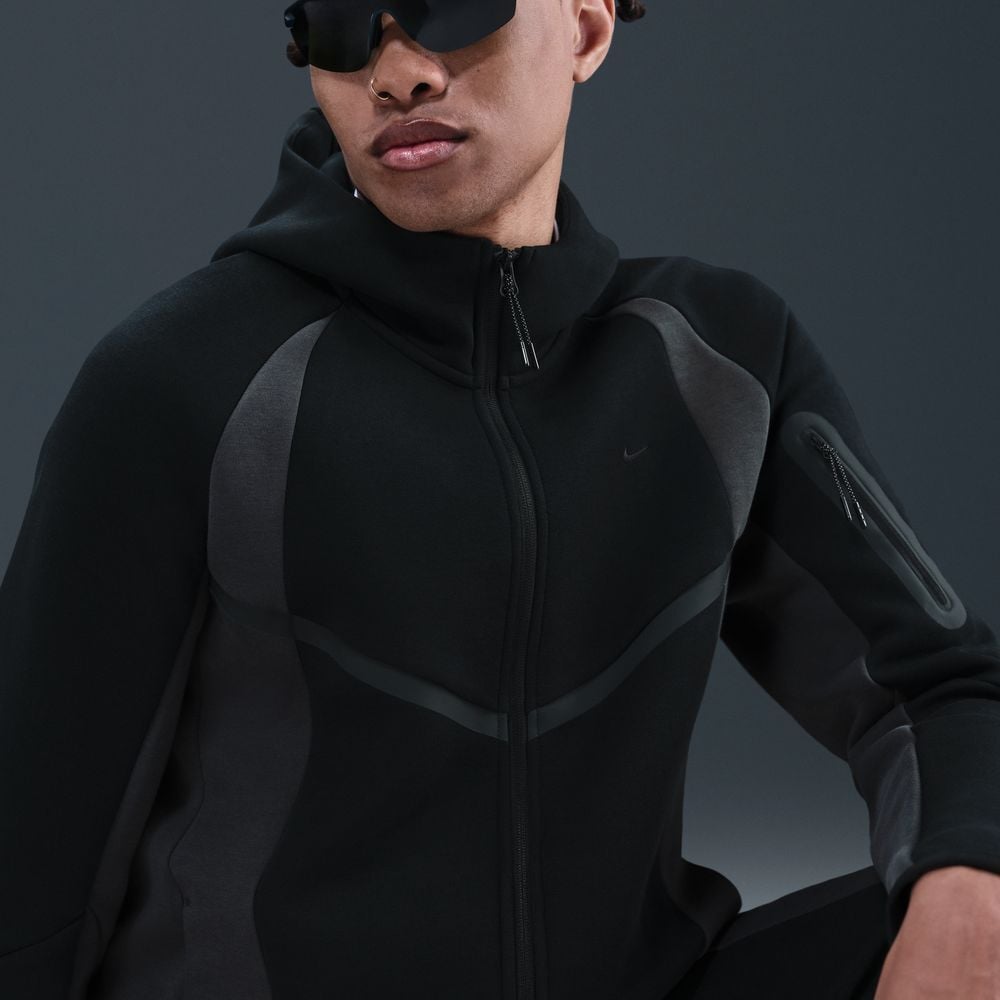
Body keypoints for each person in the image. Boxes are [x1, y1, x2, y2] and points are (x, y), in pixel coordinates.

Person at [2, 1, 999, 997]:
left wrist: (963, 887)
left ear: (588, 28)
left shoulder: (718, 362)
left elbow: (940, 685)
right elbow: (33, 852)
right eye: (343, 24)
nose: (397, 72)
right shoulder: (187, 379)